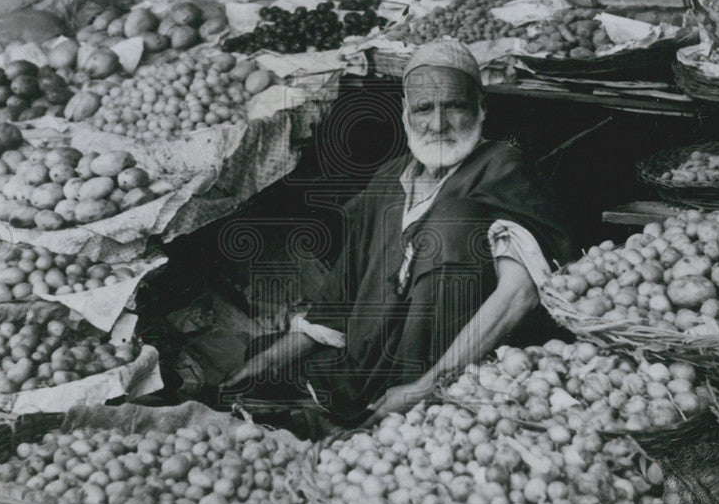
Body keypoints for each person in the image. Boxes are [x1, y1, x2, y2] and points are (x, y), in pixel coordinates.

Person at [221, 40, 572, 437]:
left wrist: (429, 385)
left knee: (454, 218)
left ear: (480, 109)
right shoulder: (390, 180)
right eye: (424, 108)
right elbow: (342, 296)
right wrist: (272, 360)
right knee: (262, 377)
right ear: (406, 115)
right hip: (374, 373)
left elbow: (518, 297)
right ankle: (349, 412)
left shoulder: (502, 169)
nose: (438, 124)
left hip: (460, 370)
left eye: (454, 106)